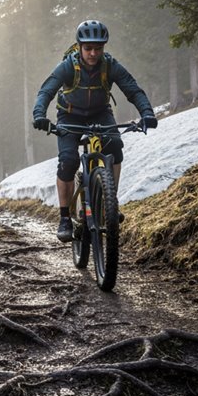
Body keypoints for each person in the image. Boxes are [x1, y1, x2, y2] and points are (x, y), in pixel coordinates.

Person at [33, 20, 157, 242]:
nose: (92, 53)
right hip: (69, 115)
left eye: (98, 49)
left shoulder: (110, 66)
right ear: (79, 46)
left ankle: (111, 202)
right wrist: (39, 115)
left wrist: (147, 113)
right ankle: (64, 218)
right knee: (68, 161)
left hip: (100, 113)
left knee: (115, 148)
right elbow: (46, 91)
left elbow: (133, 89)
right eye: (88, 48)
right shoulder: (68, 66)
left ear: (104, 48)